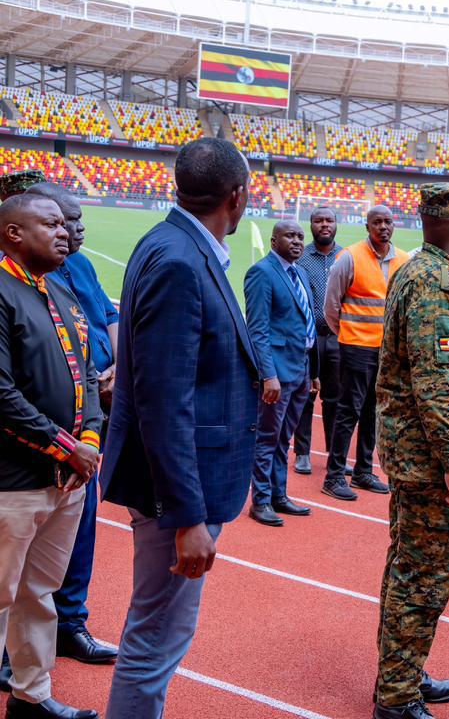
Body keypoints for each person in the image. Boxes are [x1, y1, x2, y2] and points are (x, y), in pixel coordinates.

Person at [99, 138, 260, 719]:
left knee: (160, 636)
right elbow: (165, 401)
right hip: (176, 494)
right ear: (237, 196)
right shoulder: (180, 261)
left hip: (176, 482)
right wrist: (188, 517)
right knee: (155, 642)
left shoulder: (173, 244)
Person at [373, 184, 449, 719]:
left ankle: (402, 670)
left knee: (408, 567)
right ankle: (396, 697)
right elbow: (435, 384)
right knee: (422, 577)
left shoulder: (415, 271)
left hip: (414, 456)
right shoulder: (435, 284)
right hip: (428, 464)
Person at [0, 193, 101, 719]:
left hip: (63, 480)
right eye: (52, 223)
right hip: (11, 481)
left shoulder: (59, 291)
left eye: (65, 223)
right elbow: (1, 393)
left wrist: (90, 439)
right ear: (14, 233)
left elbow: (84, 379)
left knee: (38, 593)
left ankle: (30, 695)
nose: (65, 232)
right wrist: (68, 446)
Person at [24, 183, 119, 666]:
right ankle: (11, 649)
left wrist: (115, 365)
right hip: (33, 440)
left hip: (86, 428)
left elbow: (107, 316)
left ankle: (69, 623)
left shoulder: (79, 267)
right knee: (19, 548)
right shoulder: (17, 282)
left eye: (77, 222)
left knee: (79, 532)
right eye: (62, 222)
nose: (73, 231)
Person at [322, 204, 409, 500]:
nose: (383, 227)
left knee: (373, 412)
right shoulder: (349, 258)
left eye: (387, 221)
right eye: (377, 222)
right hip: (356, 348)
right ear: (367, 226)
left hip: (386, 353)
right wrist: (347, 335)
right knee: (348, 411)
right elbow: (331, 307)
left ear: (393, 225)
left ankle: (362, 471)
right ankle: (334, 476)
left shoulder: (404, 261)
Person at [244, 219, 321, 526]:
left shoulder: (299, 272)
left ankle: (278, 495)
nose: (297, 241)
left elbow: (305, 323)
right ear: (274, 241)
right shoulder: (262, 273)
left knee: (284, 438)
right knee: (266, 438)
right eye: (289, 236)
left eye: (300, 236)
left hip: (300, 370)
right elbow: (258, 329)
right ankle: (260, 501)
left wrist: (312, 371)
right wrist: (268, 375)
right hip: (277, 372)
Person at [293, 207, 345, 476]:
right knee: (305, 397)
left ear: (337, 224)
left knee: (335, 399)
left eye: (329, 220)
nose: (324, 224)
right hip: (309, 340)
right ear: (311, 225)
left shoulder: (347, 257)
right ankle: (302, 452)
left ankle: (335, 455)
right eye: (318, 220)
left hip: (338, 338)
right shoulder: (300, 257)